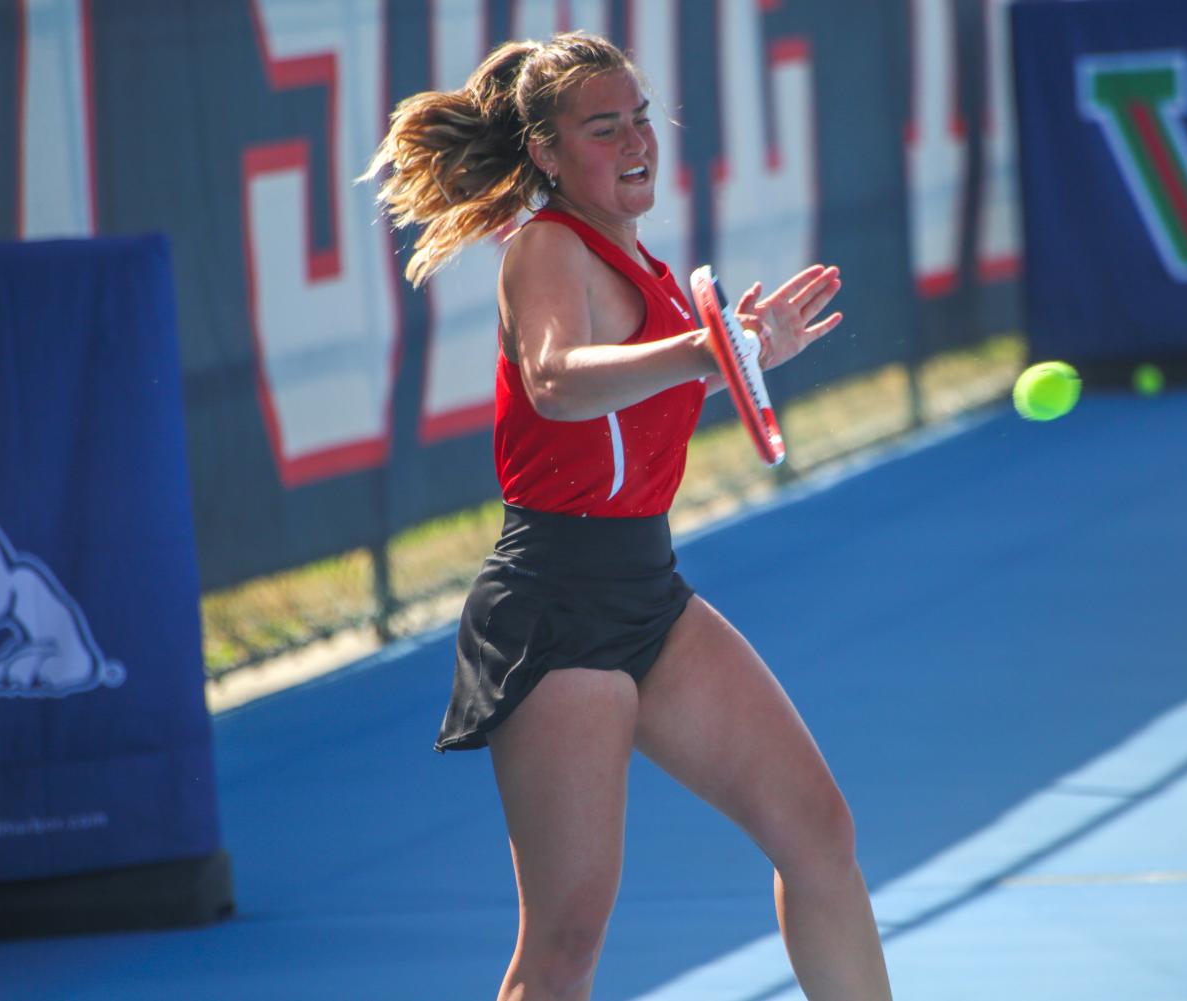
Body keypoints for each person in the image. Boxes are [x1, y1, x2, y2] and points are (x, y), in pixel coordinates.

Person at [363, 31, 893, 1001]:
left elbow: (643, 397)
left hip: (649, 595)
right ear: (547, 154)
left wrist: (740, 353)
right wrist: (707, 352)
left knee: (819, 833)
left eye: (640, 115)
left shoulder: (638, 259)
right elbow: (557, 382)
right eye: (603, 127)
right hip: (555, 608)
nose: (636, 138)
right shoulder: (544, 249)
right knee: (565, 940)